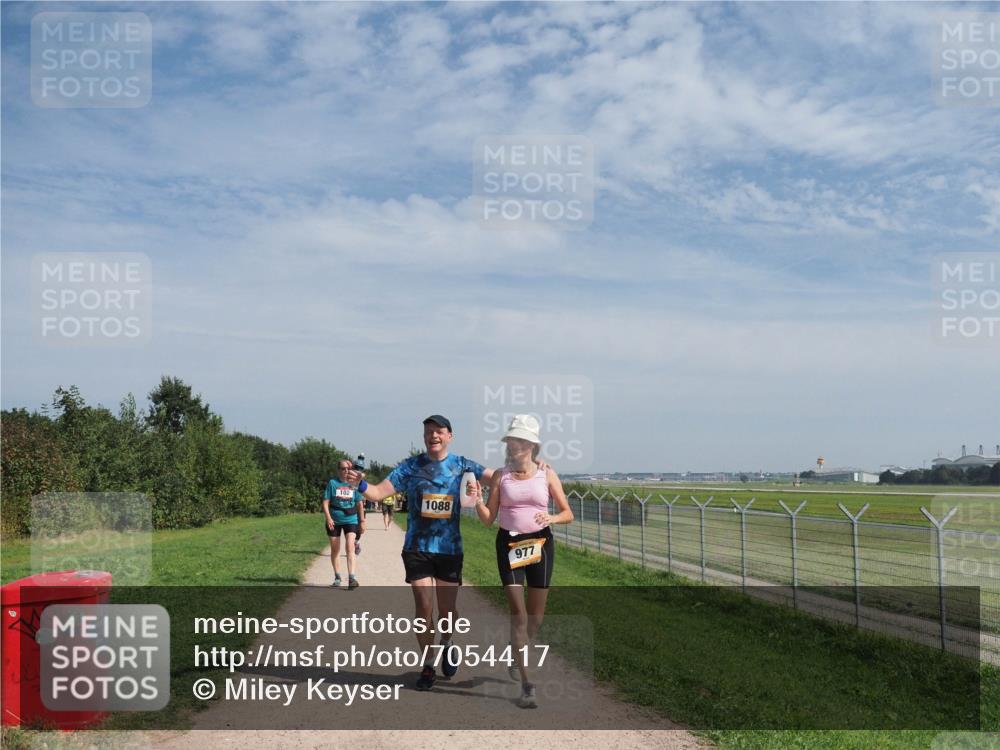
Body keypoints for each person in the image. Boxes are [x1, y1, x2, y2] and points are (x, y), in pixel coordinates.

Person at [349, 415, 492, 690]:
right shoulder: (411, 467)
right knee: (424, 607)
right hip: (417, 547)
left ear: (449, 436)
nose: (433, 436)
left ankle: (447, 642)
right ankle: (428, 665)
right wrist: (360, 484)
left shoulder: (463, 465)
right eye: (428, 432)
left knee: (447, 612)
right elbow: (377, 493)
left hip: (449, 549)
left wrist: (531, 468)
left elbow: (499, 477)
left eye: (439, 431)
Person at [470, 414, 573, 708]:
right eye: (511, 440)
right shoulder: (500, 476)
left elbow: (568, 513)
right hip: (509, 545)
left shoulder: (547, 474)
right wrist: (478, 500)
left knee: (535, 617)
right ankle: (528, 685)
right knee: (519, 615)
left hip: (541, 544)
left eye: (519, 441)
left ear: (531, 445)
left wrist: (551, 517)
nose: (514, 445)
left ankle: (516, 650)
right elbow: (488, 519)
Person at [322, 459, 366, 589]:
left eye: (348, 468)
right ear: (338, 470)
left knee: (349, 547)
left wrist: (362, 521)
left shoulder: (354, 483)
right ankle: (337, 577)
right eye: (343, 468)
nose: (346, 471)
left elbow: (359, 504)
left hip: (350, 519)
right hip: (334, 519)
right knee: (335, 549)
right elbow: (325, 502)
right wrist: (328, 518)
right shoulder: (333, 483)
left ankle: (352, 578)